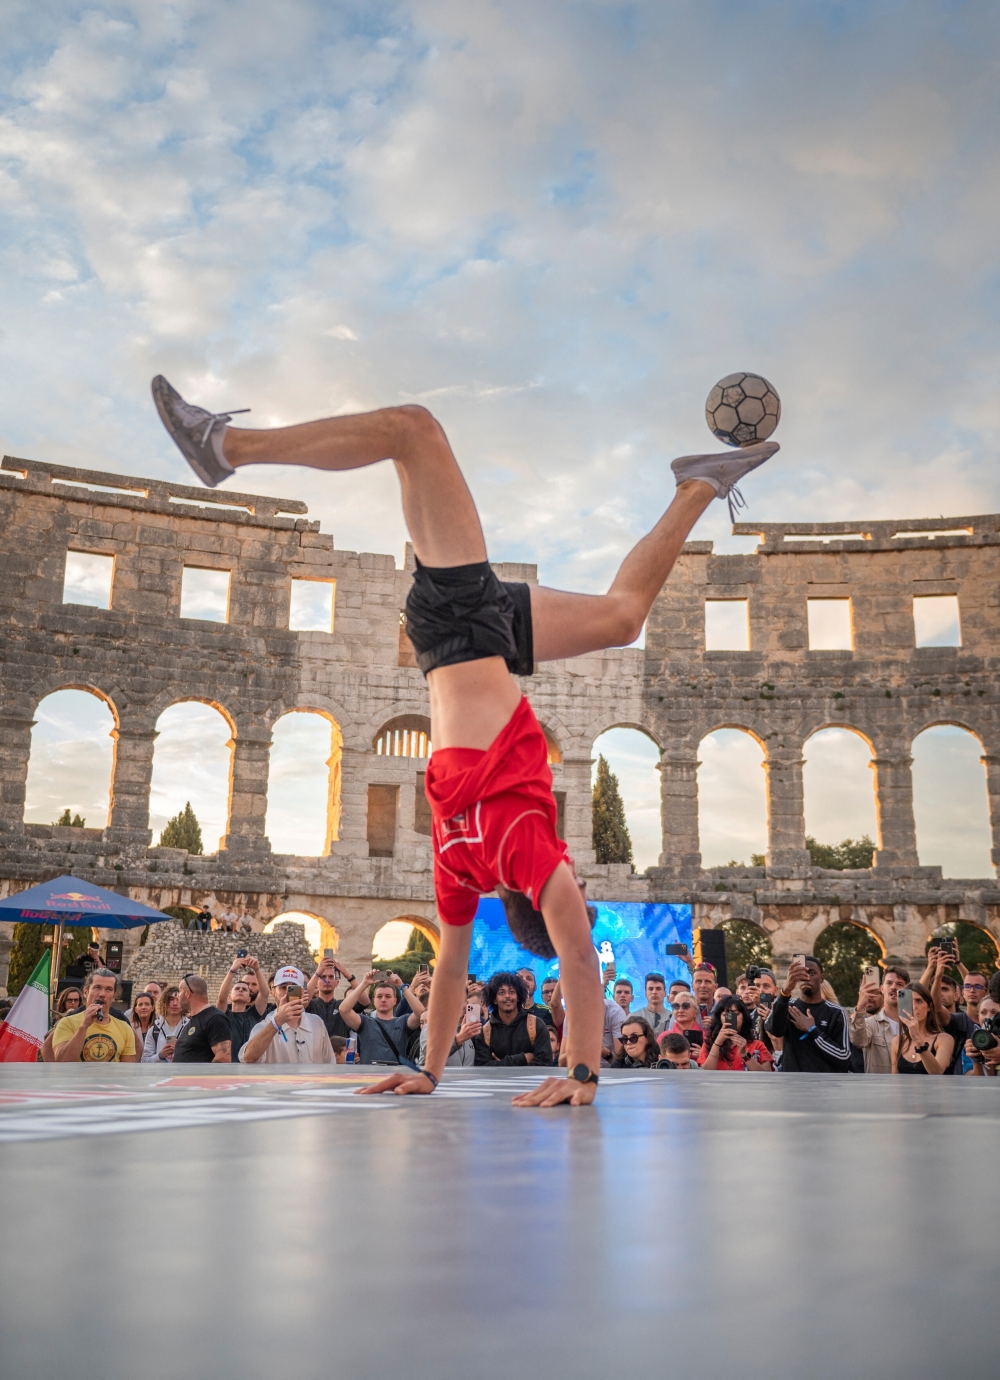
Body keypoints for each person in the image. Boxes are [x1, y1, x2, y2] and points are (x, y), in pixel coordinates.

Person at [153, 376, 777, 1106]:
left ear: (546, 892)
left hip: (464, 622)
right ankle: (697, 486)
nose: (575, 874)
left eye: (571, 885)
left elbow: (580, 956)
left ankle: (223, 446)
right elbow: (450, 970)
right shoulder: (460, 859)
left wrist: (583, 1071)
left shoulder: (525, 844)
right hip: (470, 639)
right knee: (621, 617)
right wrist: (430, 1071)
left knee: (413, 430)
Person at [765, 956, 851, 1072]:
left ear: (821, 978)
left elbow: (844, 1057)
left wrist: (812, 1030)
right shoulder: (788, 1005)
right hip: (792, 1081)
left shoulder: (836, 1012)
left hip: (824, 1082)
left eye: (812, 973)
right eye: (802, 974)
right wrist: (786, 991)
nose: (806, 978)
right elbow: (774, 1030)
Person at [241, 967, 334, 1064]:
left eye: (294, 988)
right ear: (274, 993)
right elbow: (248, 1058)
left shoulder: (316, 1023)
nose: (288, 993)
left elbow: (329, 1062)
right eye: (283, 987)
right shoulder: (264, 1026)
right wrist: (277, 1021)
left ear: (302, 992)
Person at [337, 971, 424, 1065]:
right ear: (374, 1001)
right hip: (369, 1073)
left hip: (395, 1073)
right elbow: (343, 1009)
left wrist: (402, 987)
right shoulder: (365, 1022)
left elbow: (421, 1013)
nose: (383, 1000)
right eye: (379, 996)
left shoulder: (403, 1022)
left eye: (388, 996)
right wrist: (365, 983)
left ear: (395, 1001)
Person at [52, 970, 138, 1062]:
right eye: (97, 988)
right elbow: (62, 1061)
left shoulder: (124, 1028)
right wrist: (83, 1027)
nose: (102, 994)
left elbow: (127, 1068)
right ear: (85, 992)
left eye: (109, 989)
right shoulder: (67, 1023)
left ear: (114, 996)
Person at [474, 973, 555, 1067]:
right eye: (501, 993)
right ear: (494, 999)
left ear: (518, 997)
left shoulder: (536, 1025)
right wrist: (523, 1058)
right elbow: (483, 1068)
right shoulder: (485, 1032)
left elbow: (544, 1064)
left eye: (511, 992)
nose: (507, 996)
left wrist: (500, 1064)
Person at [922, 946, 975, 1075]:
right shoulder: (925, 1020)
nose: (939, 993)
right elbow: (917, 993)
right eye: (936, 989)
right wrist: (931, 967)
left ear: (957, 995)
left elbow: (975, 987)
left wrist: (958, 963)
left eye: (945, 989)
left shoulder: (965, 1019)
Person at [849, 967, 908, 1074]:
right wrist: (860, 1006)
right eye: (889, 983)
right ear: (882, 989)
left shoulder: (915, 1025)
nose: (894, 987)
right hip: (879, 1084)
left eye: (899, 984)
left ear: (907, 990)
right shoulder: (870, 1024)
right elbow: (858, 1041)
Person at [891, 982, 954, 1075]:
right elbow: (895, 1078)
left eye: (919, 1001)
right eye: (908, 1002)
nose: (914, 1007)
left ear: (929, 1007)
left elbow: (937, 1072)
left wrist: (917, 1039)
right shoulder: (897, 1041)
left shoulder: (944, 1039)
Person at [217, 954, 271, 1058]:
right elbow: (221, 999)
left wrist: (257, 969)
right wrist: (232, 970)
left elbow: (264, 994)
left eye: (244, 989)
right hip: (228, 1065)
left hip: (250, 1064)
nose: (240, 990)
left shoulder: (253, 1015)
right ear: (230, 997)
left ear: (249, 999)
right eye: (237, 989)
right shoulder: (224, 1016)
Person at [699, 998, 772, 1071]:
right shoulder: (708, 1044)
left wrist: (745, 1055)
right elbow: (705, 1073)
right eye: (726, 1015)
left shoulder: (757, 1045)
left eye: (736, 1014)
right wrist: (717, 1044)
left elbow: (767, 1074)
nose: (731, 1018)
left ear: (744, 1018)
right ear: (719, 1019)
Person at [172, 974, 232, 1063]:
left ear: (187, 993)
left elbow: (223, 1058)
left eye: (179, 992)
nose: (178, 996)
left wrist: (201, 1072)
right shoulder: (194, 1019)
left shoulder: (215, 1018)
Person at [306, 955, 356, 1041]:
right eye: (323, 977)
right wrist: (317, 974)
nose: (327, 980)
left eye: (331, 977)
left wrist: (348, 975)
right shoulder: (310, 1005)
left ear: (337, 982)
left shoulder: (342, 1006)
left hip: (339, 1049)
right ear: (316, 983)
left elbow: (364, 1001)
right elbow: (302, 998)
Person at [142, 984, 187, 1061]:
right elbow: (144, 1060)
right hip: (160, 1069)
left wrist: (181, 1050)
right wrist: (160, 1055)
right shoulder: (154, 1030)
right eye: (171, 999)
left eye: (178, 999)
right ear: (164, 1002)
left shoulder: (190, 1027)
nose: (175, 1003)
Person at [40, 986, 85, 1062]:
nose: (73, 1003)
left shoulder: (85, 1019)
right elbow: (46, 1045)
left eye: (76, 1000)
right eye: (69, 1000)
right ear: (64, 1002)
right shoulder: (54, 1021)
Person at [129, 992, 157, 1057]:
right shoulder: (129, 1028)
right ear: (135, 1009)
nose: (143, 1007)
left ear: (152, 1008)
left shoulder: (159, 1027)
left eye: (147, 1004)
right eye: (140, 1004)